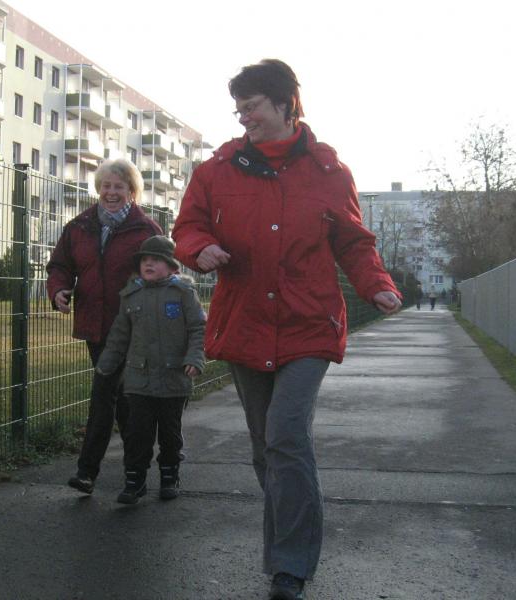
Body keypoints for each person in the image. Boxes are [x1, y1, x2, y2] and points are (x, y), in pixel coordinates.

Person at [172, 59, 402, 600]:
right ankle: (286, 551)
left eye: (251, 106)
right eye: (238, 109)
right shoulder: (216, 171)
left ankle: (290, 566)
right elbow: (188, 226)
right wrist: (200, 248)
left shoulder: (329, 172)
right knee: (264, 445)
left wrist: (376, 285)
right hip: (246, 321)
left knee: (286, 435)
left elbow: (353, 241)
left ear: (284, 104)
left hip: (307, 324)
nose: (243, 117)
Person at [46, 158, 162, 495]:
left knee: (106, 395)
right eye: (106, 186)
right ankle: (135, 473)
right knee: (121, 400)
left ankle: (90, 471)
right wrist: (58, 290)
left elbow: (163, 272)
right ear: (98, 189)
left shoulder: (146, 230)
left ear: (131, 191)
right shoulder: (79, 226)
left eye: (119, 186)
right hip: (95, 326)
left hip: (133, 327)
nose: (111, 192)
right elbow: (60, 266)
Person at [96, 235, 206, 504]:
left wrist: (195, 358)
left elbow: (198, 329)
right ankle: (135, 481)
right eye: (145, 260)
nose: (149, 264)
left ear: (171, 267)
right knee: (137, 433)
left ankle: (169, 476)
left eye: (156, 260)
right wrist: (107, 363)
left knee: (170, 434)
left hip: (173, 379)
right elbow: (119, 335)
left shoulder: (183, 294)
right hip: (139, 380)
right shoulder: (131, 296)